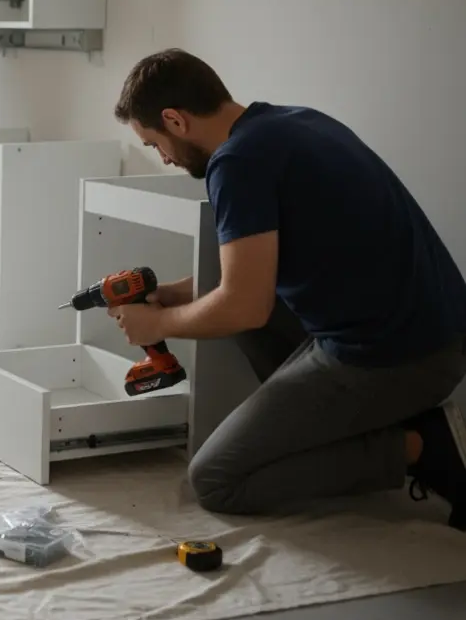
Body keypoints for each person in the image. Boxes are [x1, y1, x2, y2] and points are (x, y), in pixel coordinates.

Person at [110, 48, 466, 530]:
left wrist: (157, 324)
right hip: (433, 333)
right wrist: (178, 294)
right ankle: (352, 421)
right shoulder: (293, 123)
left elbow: (244, 306)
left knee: (216, 478)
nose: (165, 158)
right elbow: (258, 269)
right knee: (227, 309)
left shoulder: (236, 164)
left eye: (155, 144)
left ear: (175, 120)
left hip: (396, 357)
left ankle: (423, 446)